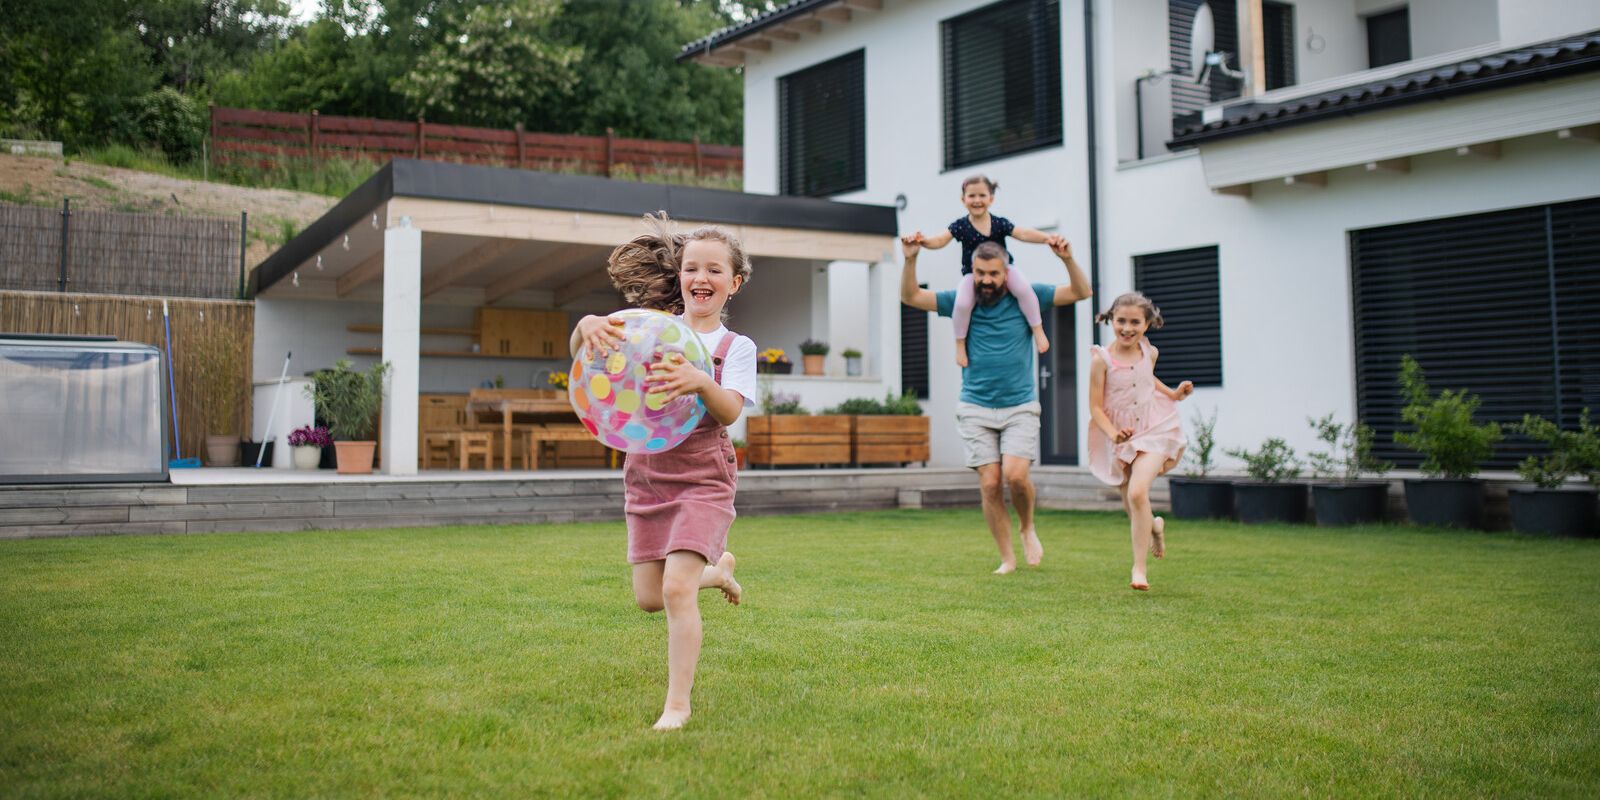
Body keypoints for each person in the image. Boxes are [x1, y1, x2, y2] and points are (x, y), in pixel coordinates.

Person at [570, 214, 758, 730]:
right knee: (650, 598)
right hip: (648, 474)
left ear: (732, 283)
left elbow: (729, 412)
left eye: (714, 270)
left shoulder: (734, 348)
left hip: (703, 477)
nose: (702, 277)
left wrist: (701, 381)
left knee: (676, 590)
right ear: (679, 276)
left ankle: (677, 706)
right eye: (691, 267)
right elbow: (590, 356)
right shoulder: (651, 328)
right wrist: (583, 328)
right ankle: (716, 573)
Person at [900, 234, 1092, 574]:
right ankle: (1007, 557)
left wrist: (1067, 259)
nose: (986, 281)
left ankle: (1027, 526)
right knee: (990, 483)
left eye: (993, 274)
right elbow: (911, 297)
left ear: (1007, 273)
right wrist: (912, 259)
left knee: (1016, 477)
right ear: (972, 271)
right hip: (975, 405)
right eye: (980, 273)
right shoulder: (962, 300)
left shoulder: (1028, 297)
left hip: (1019, 404)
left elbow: (1080, 292)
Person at [1087, 292, 1193, 591]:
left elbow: (1148, 379)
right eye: (1121, 321)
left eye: (1135, 322)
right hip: (1119, 435)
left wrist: (1173, 394)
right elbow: (1095, 407)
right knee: (1133, 506)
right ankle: (1155, 526)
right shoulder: (1101, 360)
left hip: (1155, 428)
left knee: (1137, 493)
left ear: (1147, 324)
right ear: (1112, 320)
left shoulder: (1150, 351)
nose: (1127, 328)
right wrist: (1112, 434)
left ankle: (1139, 569)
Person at [909, 175, 1054, 368]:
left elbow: (1024, 233)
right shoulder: (960, 226)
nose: (977, 200)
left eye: (982, 195)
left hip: (1004, 270)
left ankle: (1037, 329)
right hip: (972, 275)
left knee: (1025, 290)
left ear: (991, 199)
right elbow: (940, 240)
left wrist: (1048, 238)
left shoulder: (999, 223)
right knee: (961, 304)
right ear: (963, 199)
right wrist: (923, 241)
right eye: (971, 196)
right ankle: (960, 344)